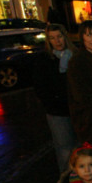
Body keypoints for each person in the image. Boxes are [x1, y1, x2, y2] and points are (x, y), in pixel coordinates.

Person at [33, 23, 78, 172]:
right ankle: (66, 181)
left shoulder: (75, 56)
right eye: (52, 38)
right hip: (57, 111)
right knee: (64, 148)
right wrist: (51, 103)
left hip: (77, 109)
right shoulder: (44, 60)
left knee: (80, 148)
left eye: (59, 37)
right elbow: (40, 86)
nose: (57, 41)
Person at [67, 20, 92, 148]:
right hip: (89, 118)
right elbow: (79, 95)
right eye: (89, 35)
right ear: (82, 37)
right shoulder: (77, 61)